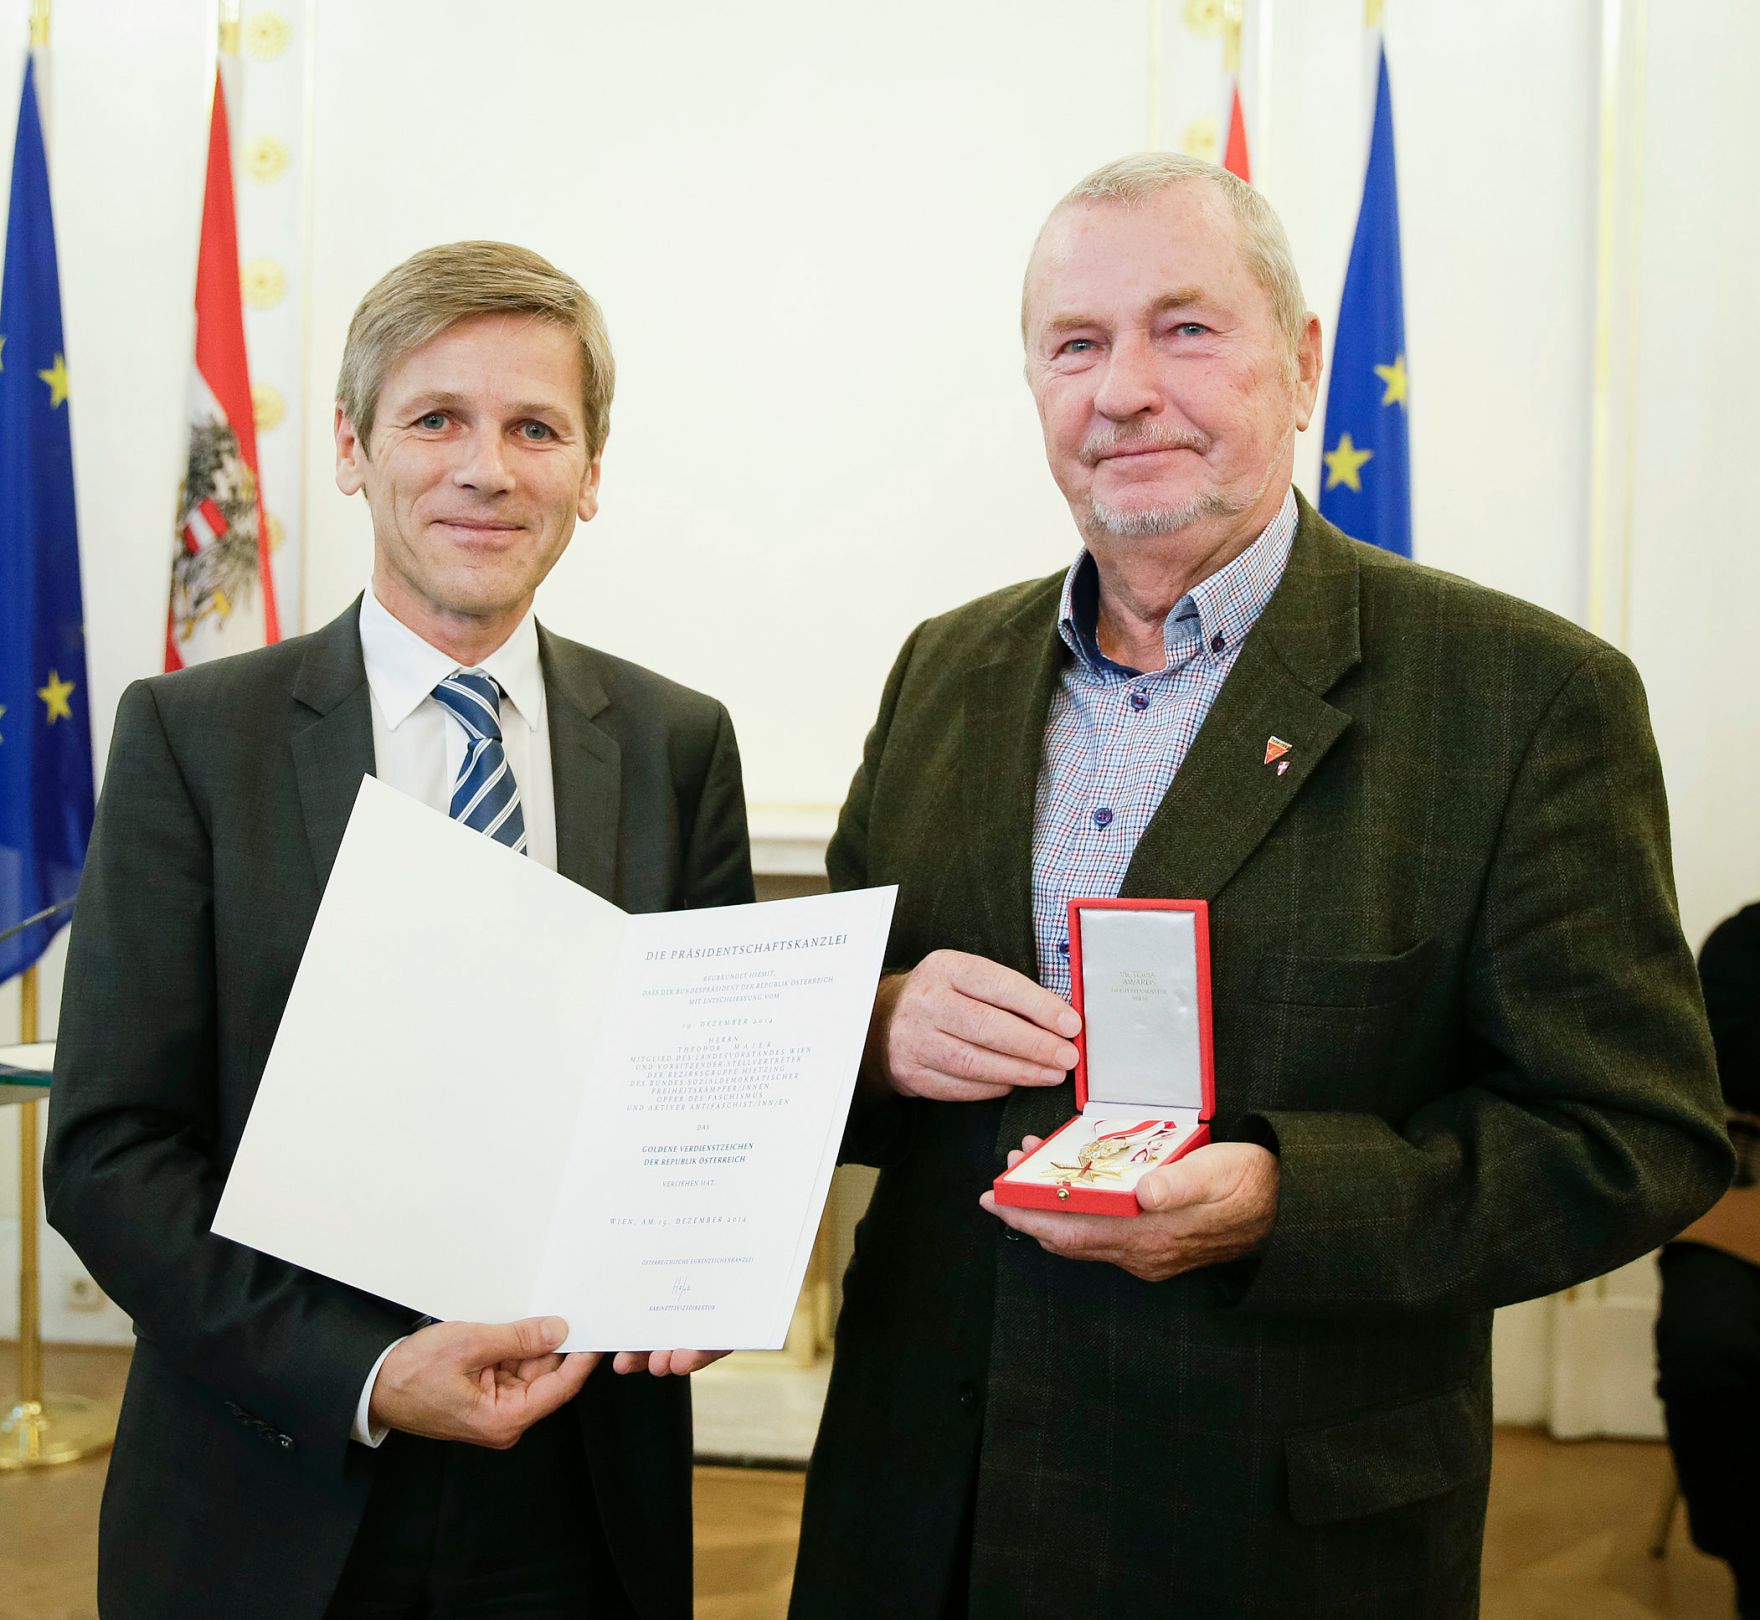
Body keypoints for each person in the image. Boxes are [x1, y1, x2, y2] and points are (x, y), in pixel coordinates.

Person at [789, 154, 1731, 1618]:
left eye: (1185, 328)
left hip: (1268, 1534)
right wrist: (874, 1025)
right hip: (921, 1516)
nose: (1123, 391)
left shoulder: (1524, 697)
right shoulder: (942, 670)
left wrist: (1289, 1202)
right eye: (1075, 344)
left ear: (1300, 363)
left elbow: (1633, 1138)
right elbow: (824, 1051)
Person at [45, 242, 750, 1620]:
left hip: (580, 1500)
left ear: (589, 472)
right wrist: (362, 1375)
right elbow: (110, 1154)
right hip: (271, 1490)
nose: (487, 469)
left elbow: (704, 1115)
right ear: (352, 449)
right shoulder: (194, 740)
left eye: (535, 427)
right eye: (436, 419)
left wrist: (706, 1263)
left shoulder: (677, 746)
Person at [1656, 901, 1760, 1618]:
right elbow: (1725, 1061)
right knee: (1707, 1349)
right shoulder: (1745, 941)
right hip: (1745, 1196)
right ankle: (1751, 1557)